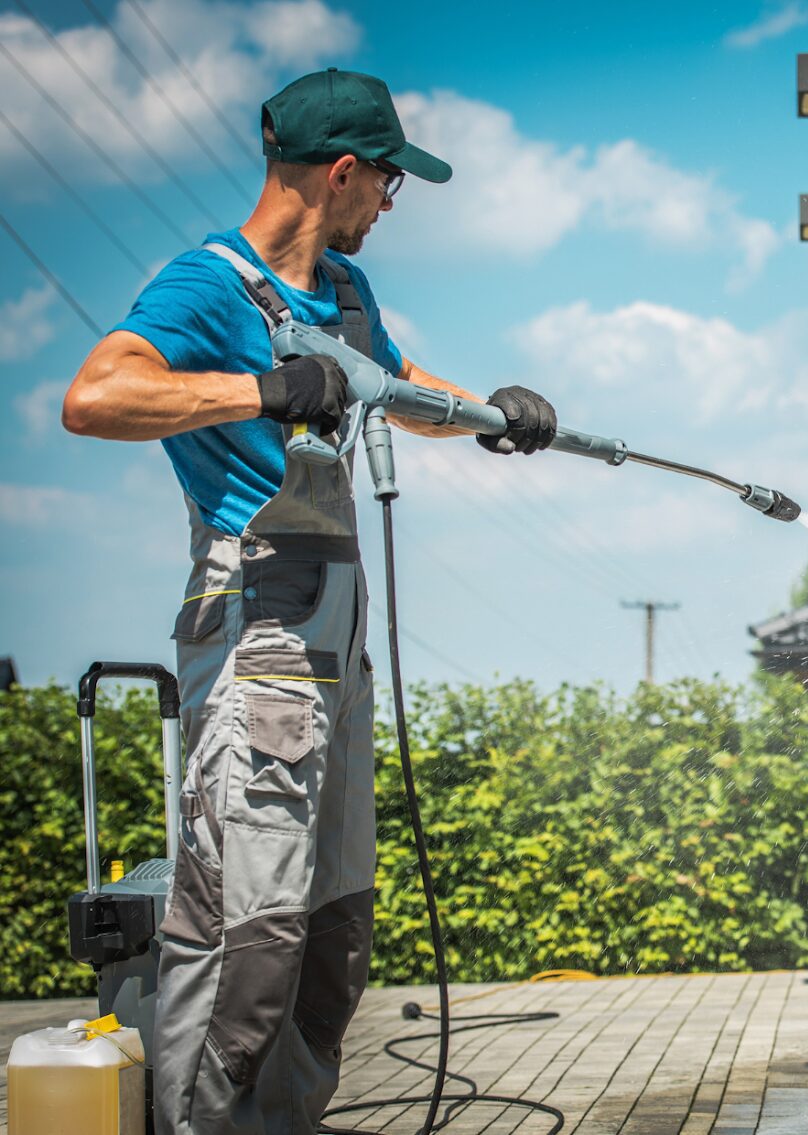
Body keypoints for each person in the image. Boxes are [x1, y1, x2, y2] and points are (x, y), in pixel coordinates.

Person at [60, 68, 555, 1135]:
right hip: (258, 628)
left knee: (329, 919)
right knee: (251, 920)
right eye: (387, 182)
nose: (389, 202)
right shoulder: (206, 288)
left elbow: (390, 379)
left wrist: (487, 415)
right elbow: (95, 395)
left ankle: (287, 1119)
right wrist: (263, 389)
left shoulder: (344, 294)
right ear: (341, 173)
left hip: (336, 623)